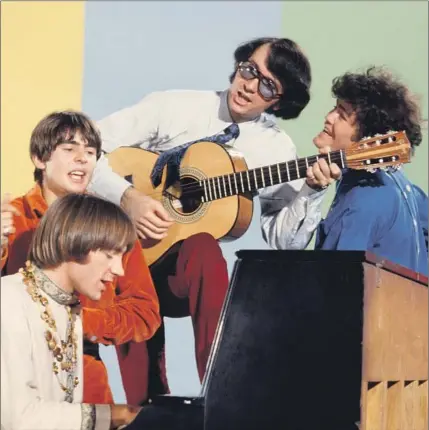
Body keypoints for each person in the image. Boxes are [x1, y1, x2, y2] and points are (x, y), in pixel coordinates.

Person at [87, 36, 341, 403]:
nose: (250, 85)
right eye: (250, 69)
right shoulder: (174, 105)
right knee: (131, 288)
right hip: (127, 258)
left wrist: (311, 191)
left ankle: (221, 394)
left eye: (268, 84)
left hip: (184, 274)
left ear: (279, 102)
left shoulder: (275, 148)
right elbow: (86, 143)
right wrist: (129, 198)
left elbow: (285, 242)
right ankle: (145, 408)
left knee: (205, 248)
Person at [0, 111, 161, 403]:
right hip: (15, 366)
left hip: (84, 367)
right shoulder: (11, 217)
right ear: (40, 158)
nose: (83, 159)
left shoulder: (113, 226)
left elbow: (145, 313)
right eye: (70, 149)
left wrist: (81, 322)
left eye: (90, 152)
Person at [1, 193, 143, 430]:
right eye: (110, 255)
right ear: (74, 243)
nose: (119, 269)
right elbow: (17, 418)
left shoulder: (69, 311)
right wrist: (116, 415)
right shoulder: (9, 299)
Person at [313, 66, 428, 276]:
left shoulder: (361, 200)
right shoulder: (404, 187)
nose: (329, 117)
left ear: (369, 139)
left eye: (342, 115)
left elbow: (333, 281)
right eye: (335, 108)